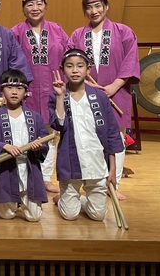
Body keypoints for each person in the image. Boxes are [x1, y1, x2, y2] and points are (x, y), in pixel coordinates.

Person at [67, 0, 139, 201]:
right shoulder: (78, 35)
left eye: (98, 5)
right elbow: (70, 62)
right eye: (89, 7)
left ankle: (112, 183)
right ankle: (91, 182)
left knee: (116, 138)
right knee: (90, 136)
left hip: (116, 93)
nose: (94, 11)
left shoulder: (123, 31)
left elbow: (130, 60)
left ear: (106, 6)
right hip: (86, 94)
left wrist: (114, 87)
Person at [49, 49, 124, 221]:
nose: (75, 70)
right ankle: (65, 198)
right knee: (69, 215)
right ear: (62, 69)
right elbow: (59, 125)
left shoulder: (100, 97)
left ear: (88, 70)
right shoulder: (56, 96)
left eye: (80, 66)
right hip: (71, 162)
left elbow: (112, 133)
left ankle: (74, 199)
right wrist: (60, 97)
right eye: (70, 66)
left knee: (98, 216)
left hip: (96, 161)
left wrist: (112, 169)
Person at [11, 0, 69, 193]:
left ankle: (45, 178)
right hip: (27, 91)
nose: (35, 8)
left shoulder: (57, 30)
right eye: (30, 4)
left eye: (39, 3)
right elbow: (10, 63)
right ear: (23, 8)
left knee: (51, 135)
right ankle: (21, 177)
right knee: (24, 134)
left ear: (45, 5)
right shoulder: (16, 32)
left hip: (52, 88)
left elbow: (68, 58)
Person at [0, 69, 49, 222]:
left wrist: (38, 146)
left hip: (29, 167)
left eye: (19, 88)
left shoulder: (35, 117)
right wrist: (4, 146)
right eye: (9, 87)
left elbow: (44, 140)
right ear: (1, 90)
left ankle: (25, 200)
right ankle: (14, 200)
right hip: (7, 168)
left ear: (26, 91)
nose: (14, 92)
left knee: (34, 217)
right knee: (6, 216)